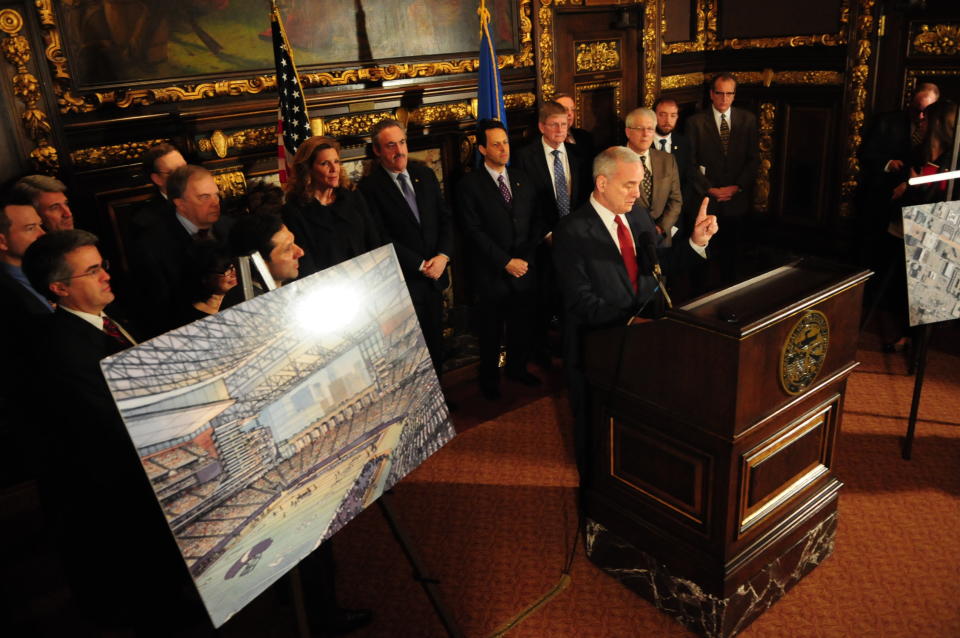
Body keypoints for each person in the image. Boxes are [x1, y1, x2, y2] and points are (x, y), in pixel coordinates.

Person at [22, 230, 205, 635]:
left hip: (142, 479)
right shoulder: (62, 349)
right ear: (59, 288)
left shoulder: (109, 321)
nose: (106, 275)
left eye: (102, 264)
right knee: (149, 604)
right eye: (92, 271)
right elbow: (110, 424)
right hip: (113, 500)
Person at [226, 212, 373, 636]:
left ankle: (300, 600)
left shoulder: (282, 292)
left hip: (292, 443)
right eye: (287, 247)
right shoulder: (245, 313)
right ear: (257, 261)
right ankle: (323, 618)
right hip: (285, 456)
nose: (300, 252)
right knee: (310, 543)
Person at [553, 147, 717, 478]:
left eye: (639, 184)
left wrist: (695, 242)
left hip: (644, 342)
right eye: (629, 185)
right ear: (602, 182)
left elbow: (658, 264)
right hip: (597, 348)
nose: (637, 193)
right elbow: (579, 301)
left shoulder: (638, 216)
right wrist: (631, 323)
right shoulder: (571, 231)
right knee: (595, 435)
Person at [457, 119, 543, 399]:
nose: (503, 149)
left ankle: (517, 369)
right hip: (491, 272)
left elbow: (535, 223)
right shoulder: (469, 185)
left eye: (505, 142)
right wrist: (505, 261)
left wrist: (524, 259)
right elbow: (472, 232)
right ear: (482, 149)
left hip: (524, 269)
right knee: (491, 332)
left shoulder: (522, 178)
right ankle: (490, 380)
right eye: (496, 144)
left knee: (522, 324)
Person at [358, 118, 453, 374]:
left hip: (435, 276)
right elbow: (380, 237)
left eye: (402, 142)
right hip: (404, 282)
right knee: (410, 353)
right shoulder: (369, 189)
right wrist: (420, 264)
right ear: (377, 151)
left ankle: (441, 398)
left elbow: (445, 218)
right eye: (390, 145)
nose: (399, 151)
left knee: (436, 343)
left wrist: (443, 256)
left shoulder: (424, 174)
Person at [513, 100, 592, 365]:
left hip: (574, 240)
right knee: (543, 298)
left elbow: (582, 198)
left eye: (564, 123)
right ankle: (540, 352)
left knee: (570, 295)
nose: (560, 129)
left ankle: (567, 348)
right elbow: (525, 203)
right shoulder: (525, 156)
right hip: (540, 241)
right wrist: (547, 234)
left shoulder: (577, 154)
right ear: (541, 127)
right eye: (554, 124)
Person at [127, 164, 232, 338]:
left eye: (216, 194)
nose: (215, 203)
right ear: (180, 204)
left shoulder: (229, 227)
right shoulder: (151, 247)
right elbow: (157, 311)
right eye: (204, 197)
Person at [282, 135, 382, 278]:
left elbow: (374, 241)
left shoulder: (352, 196)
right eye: (325, 164)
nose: (334, 168)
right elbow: (306, 266)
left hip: (371, 279)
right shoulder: (294, 212)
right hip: (330, 290)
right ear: (308, 169)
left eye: (336, 162)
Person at [624, 107, 682, 240]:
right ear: (628, 132)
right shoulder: (615, 160)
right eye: (639, 128)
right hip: (629, 237)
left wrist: (661, 227)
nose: (645, 134)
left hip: (662, 237)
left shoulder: (668, 160)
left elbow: (676, 200)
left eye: (650, 129)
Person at [229, 212, 305, 288]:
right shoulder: (255, 299)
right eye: (287, 249)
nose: (301, 252)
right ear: (259, 263)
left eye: (293, 243)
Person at [129, 142, 188, 236]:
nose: (185, 175)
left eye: (185, 168)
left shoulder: (211, 199)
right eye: (175, 172)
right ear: (157, 179)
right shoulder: (146, 221)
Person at [175, 242, 238, 326]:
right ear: (204, 278)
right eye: (225, 270)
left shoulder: (238, 297)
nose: (233, 273)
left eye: (232, 267)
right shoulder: (191, 320)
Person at [555, 92, 596, 160]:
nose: (570, 114)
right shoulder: (548, 140)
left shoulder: (585, 136)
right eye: (565, 109)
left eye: (573, 110)